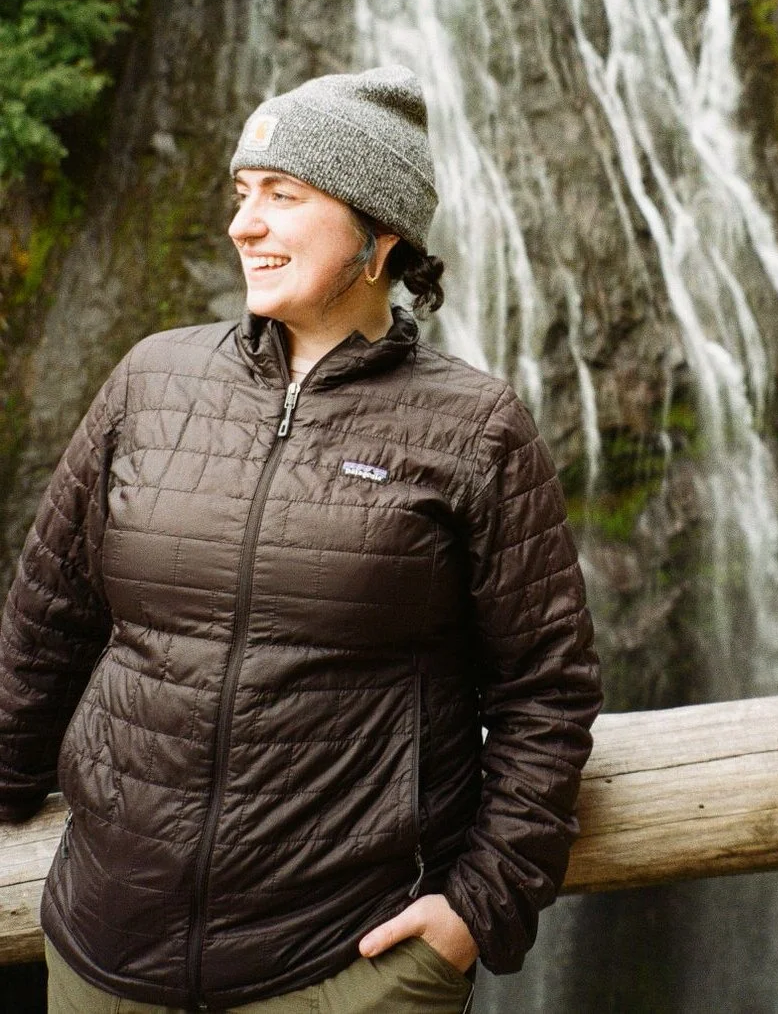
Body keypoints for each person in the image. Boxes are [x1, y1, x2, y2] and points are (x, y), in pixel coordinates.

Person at [0, 66, 602, 1014]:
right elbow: (46, 625)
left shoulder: (476, 428)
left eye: (283, 195)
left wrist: (479, 907)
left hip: (345, 969)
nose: (244, 224)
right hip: (102, 954)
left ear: (379, 233)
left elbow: (546, 691)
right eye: (242, 194)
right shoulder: (151, 380)